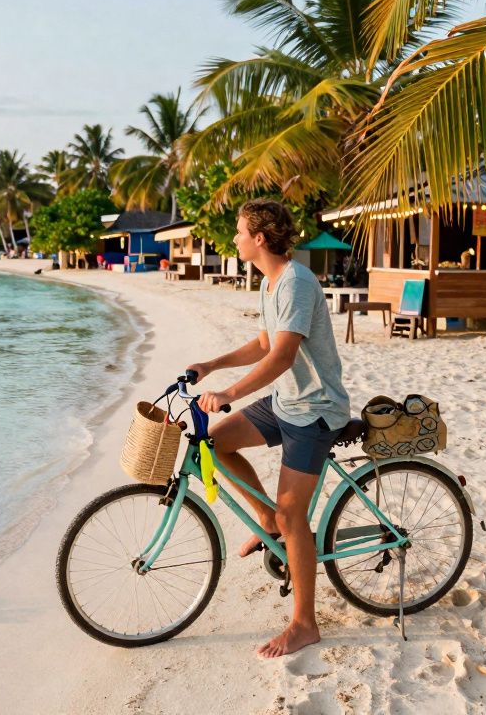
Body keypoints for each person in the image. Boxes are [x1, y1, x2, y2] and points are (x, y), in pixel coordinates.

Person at [186, 199, 350, 658]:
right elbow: (264, 341)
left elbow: (282, 356)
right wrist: (212, 365)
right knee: (213, 445)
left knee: (294, 515)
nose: (233, 239)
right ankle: (266, 522)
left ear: (259, 238)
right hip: (286, 404)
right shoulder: (270, 281)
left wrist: (229, 394)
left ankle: (304, 624)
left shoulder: (296, 282)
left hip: (315, 410)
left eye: (238, 232)